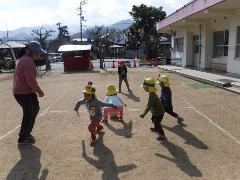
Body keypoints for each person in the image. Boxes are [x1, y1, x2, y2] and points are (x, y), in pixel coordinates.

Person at [13, 41, 46, 145]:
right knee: (29, 113)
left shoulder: (25, 59)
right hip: (22, 92)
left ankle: (25, 133)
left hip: (26, 91)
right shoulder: (27, 61)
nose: (39, 55)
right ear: (32, 52)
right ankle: (23, 138)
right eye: (38, 53)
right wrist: (40, 91)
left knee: (34, 109)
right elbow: (30, 80)